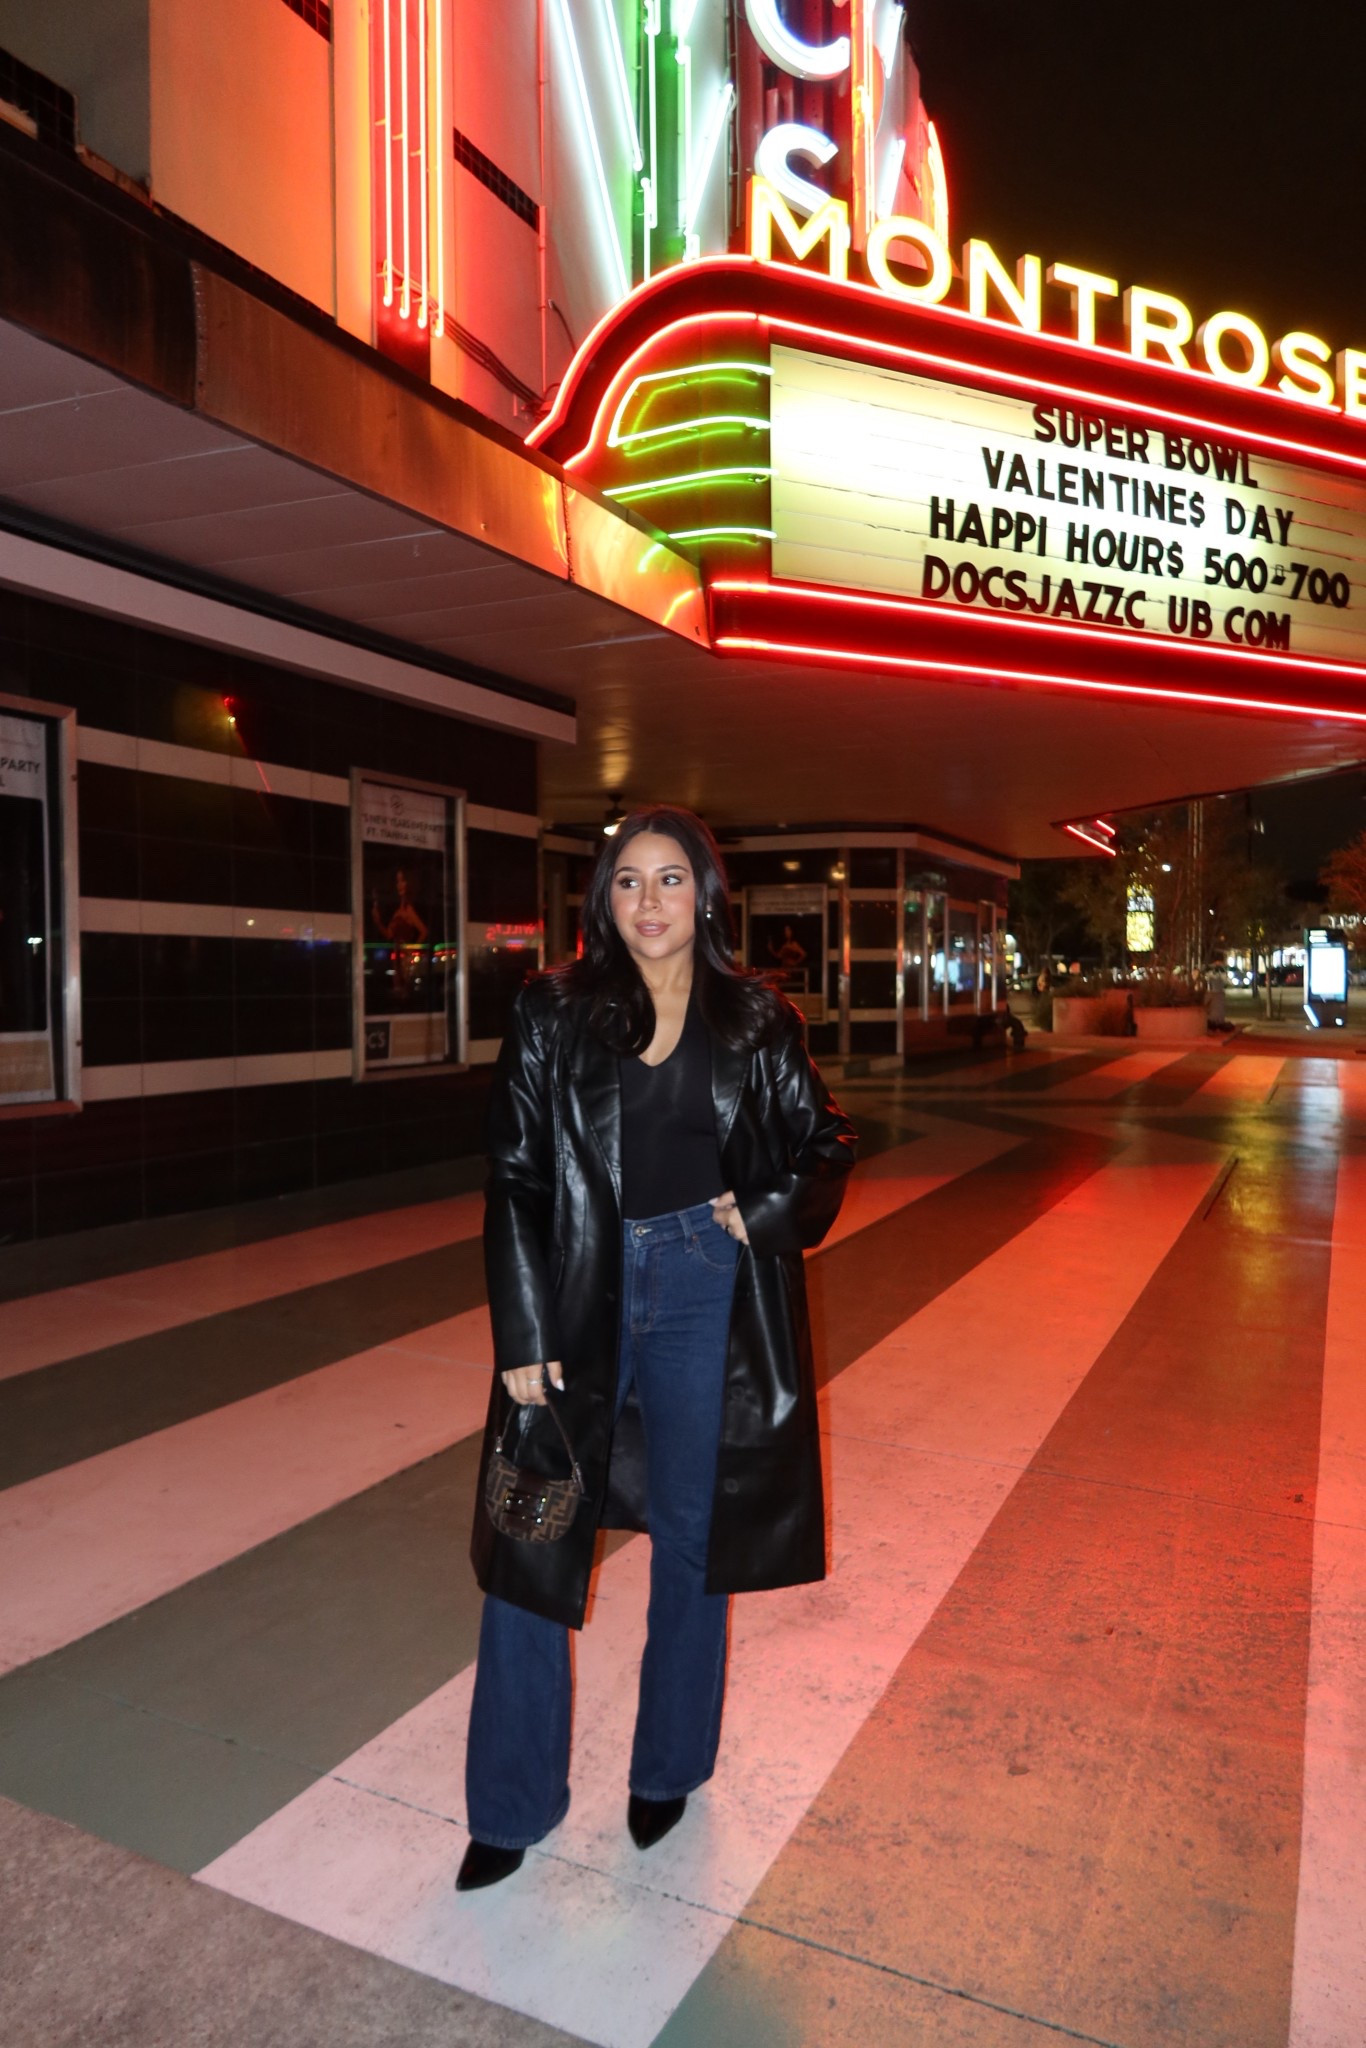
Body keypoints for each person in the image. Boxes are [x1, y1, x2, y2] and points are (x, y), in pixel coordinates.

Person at [458, 803, 858, 1891]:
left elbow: (825, 1141)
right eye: (627, 881)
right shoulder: (552, 1012)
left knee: (694, 1535)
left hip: (702, 1287)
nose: (649, 901)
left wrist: (764, 1209)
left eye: (670, 879)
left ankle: (666, 1767)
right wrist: (524, 1328)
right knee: (531, 1535)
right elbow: (517, 1176)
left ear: (705, 893)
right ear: (602, 898)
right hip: (579, 1287)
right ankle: (508, 1802)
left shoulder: (755, 1020)